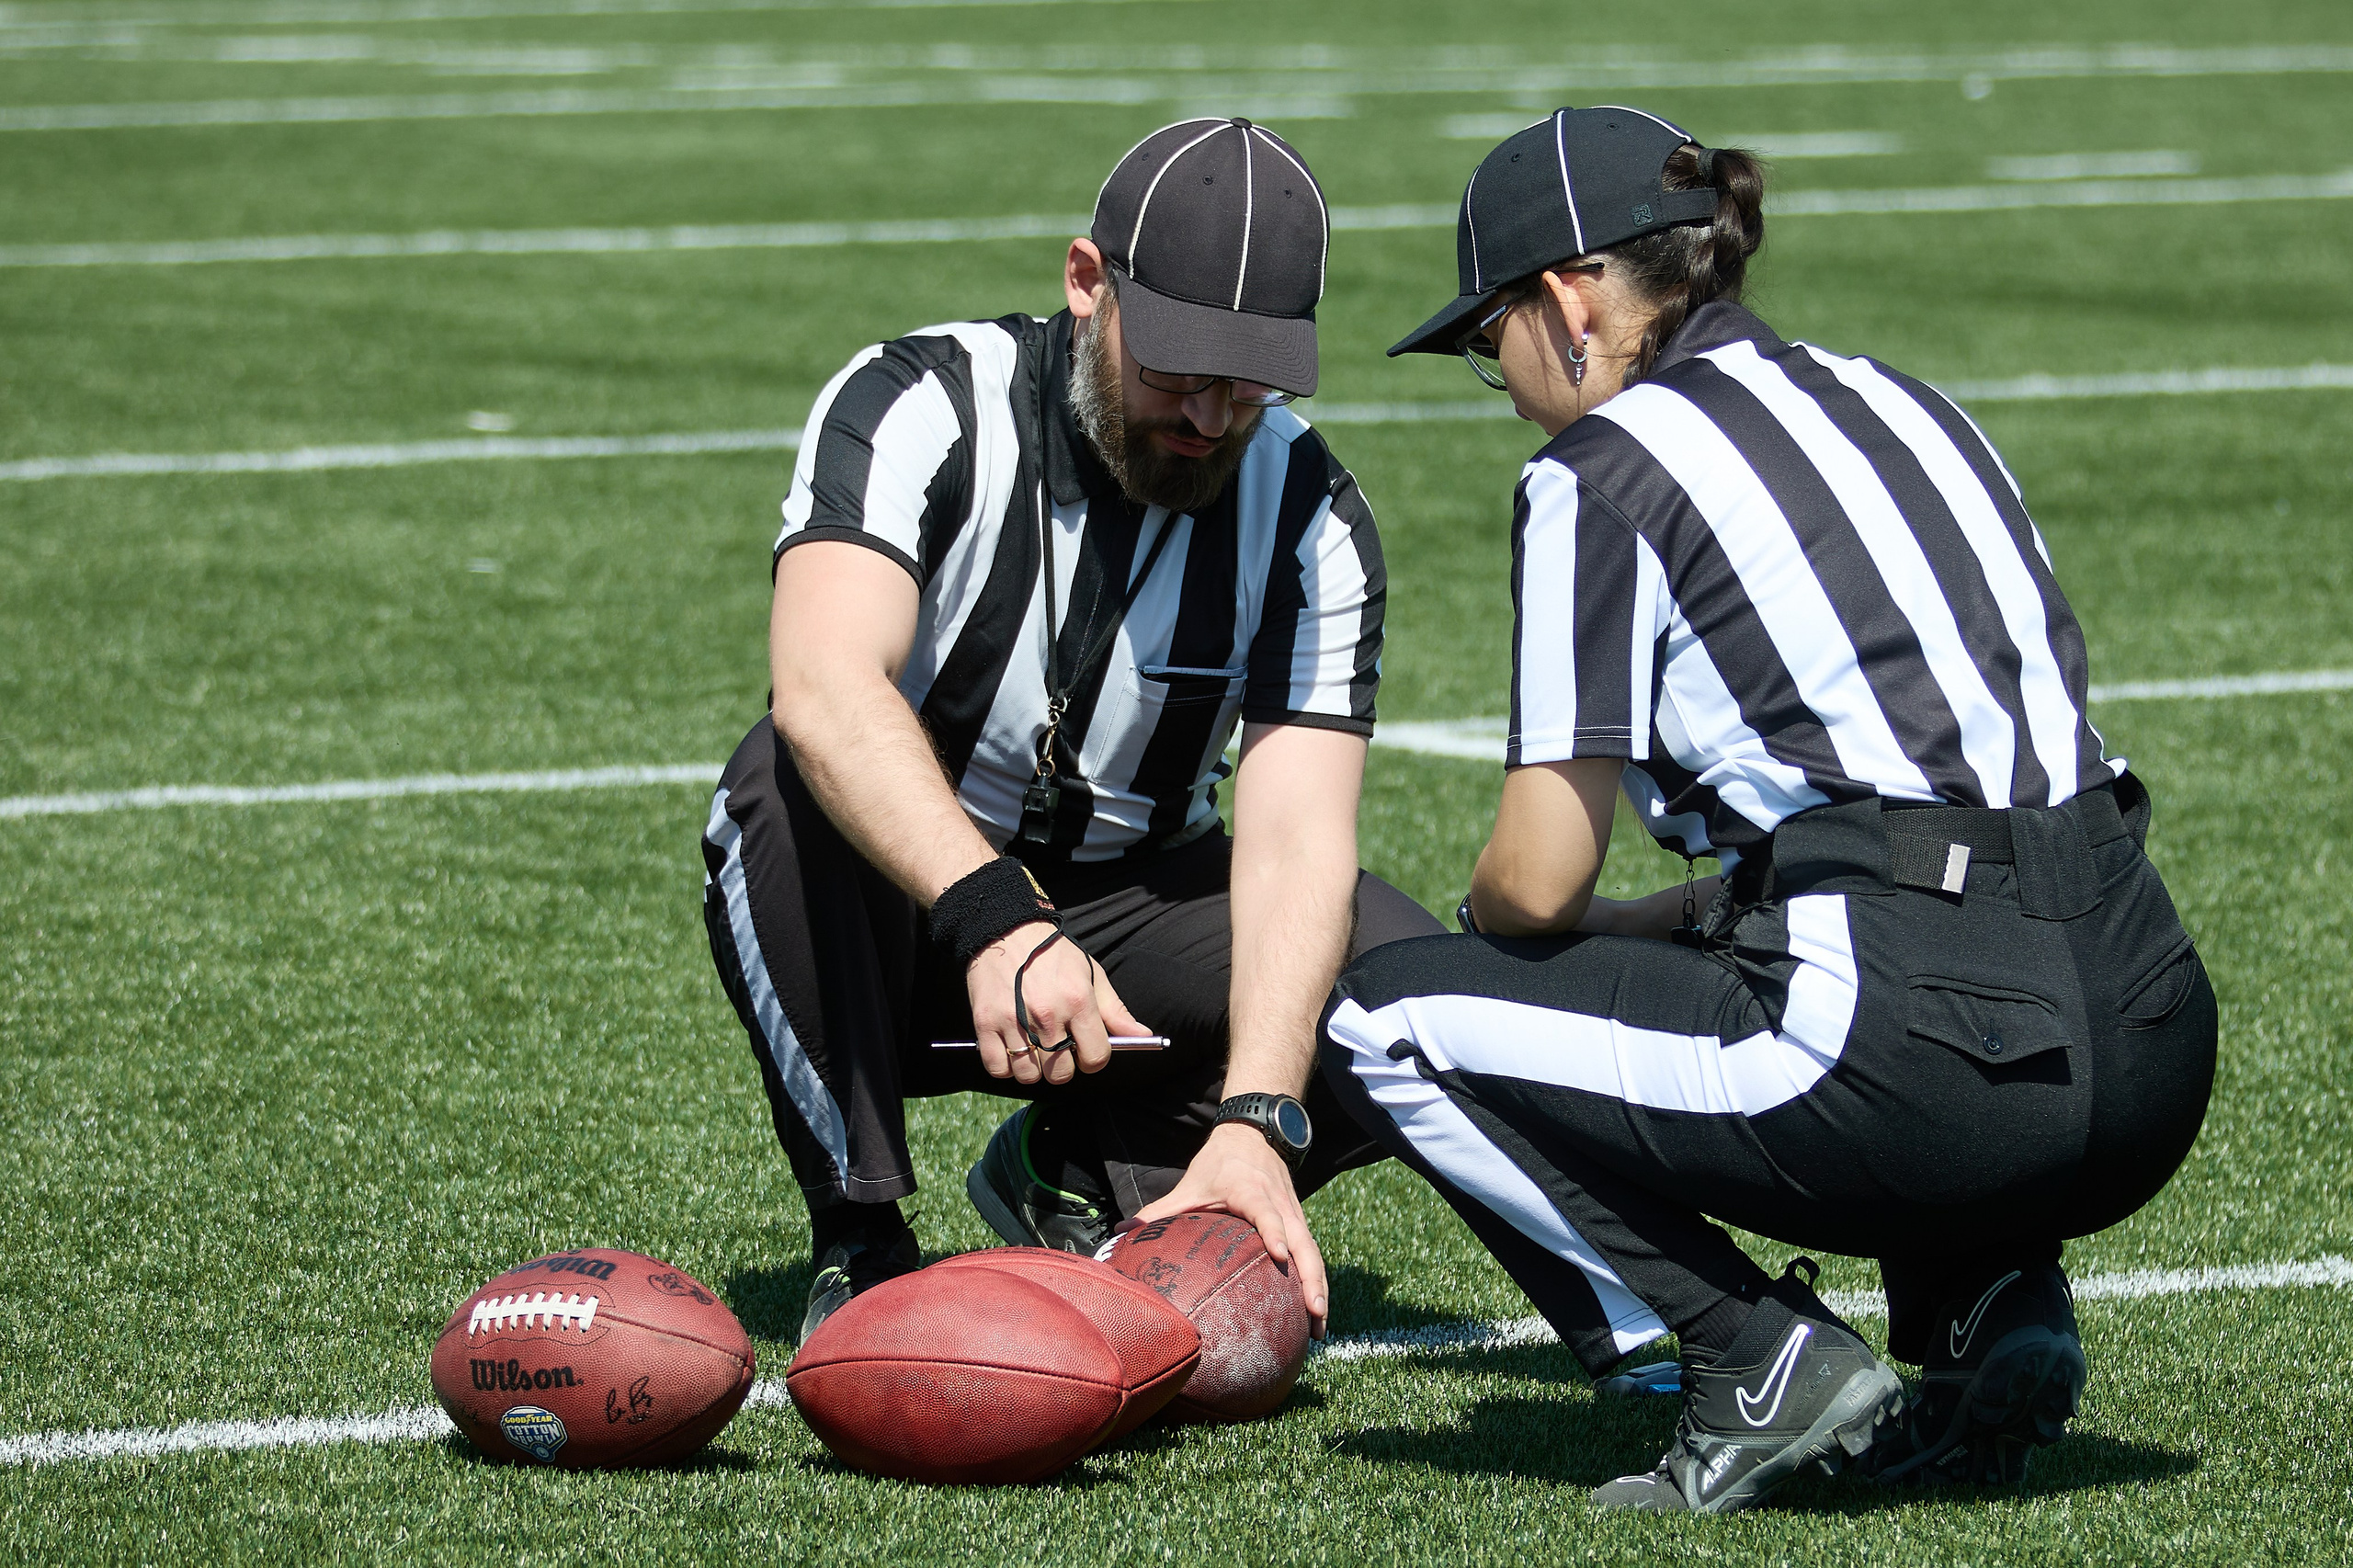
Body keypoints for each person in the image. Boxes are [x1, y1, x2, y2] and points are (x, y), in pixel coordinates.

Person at [1320, 108, 2216, 1513]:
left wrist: (1502, 927)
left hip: (1918, 1056)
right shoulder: (1908, 398)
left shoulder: (1597, 474)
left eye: (1484, 332)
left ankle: (1752, 1354)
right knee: (1798, 931)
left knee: (1388, 1011)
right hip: (2155, 1031)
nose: (1489, 377)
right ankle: (1990, 1294)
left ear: (1569, 300)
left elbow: (1538, 878)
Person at [700, 119, 1441, 1341]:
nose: (1208, 414)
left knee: (1418, 989)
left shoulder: (1311, 506)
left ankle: (1099, 1179)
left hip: (1135, 913)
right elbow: (824, 685)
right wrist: (994, 914)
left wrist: (1261, 1115)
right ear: (1088, 282)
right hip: (915, 917)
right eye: (1178, 367)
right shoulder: (920, 402)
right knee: (776, 788)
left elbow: (1300, 836)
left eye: (1247, 382)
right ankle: (862, 1230)